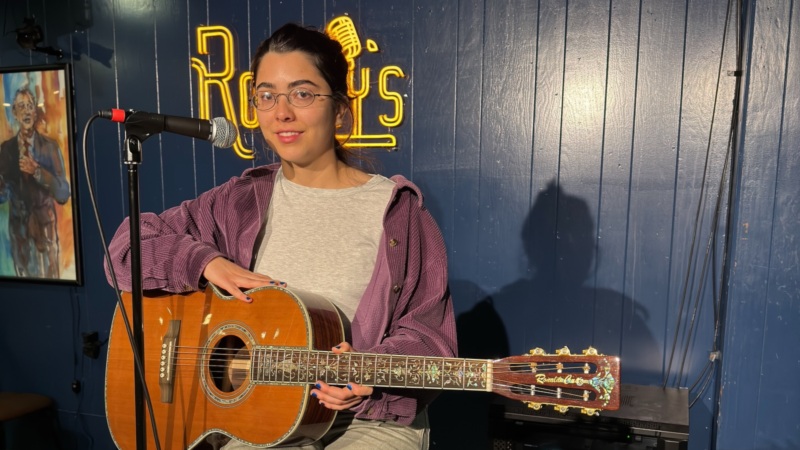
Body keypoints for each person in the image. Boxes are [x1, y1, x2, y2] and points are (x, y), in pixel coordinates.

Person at [105, 23, 457, 449]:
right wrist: (203, 262)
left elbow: (431, 341)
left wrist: (369, 375)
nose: (281, 113)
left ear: (340, 110)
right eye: (267, 95)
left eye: (302, 94)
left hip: (367, 422)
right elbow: (124, 251)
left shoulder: (399, 213)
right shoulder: (239, 200)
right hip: (259, 417)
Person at [0, 86, 71, 278]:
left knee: (51, 280)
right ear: (14, 113)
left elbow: (63, 193)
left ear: (35, 112)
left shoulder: (50, 148)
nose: (26, 111)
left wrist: (38, 172)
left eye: (30, 106)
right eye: (21, 107)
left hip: (45, 231)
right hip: (19, 234)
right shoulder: (6, 150)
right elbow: (3, 195)